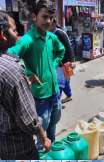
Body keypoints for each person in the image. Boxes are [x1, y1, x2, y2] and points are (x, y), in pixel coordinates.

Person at [7, 0, 65, 147]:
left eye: (51, 18)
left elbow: (61, 50)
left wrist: (53, 63)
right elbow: (9, 57)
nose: (48, 21)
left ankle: (53, 151)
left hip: (55, 92)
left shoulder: (51, 37)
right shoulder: (28, 39)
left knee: (53, 125)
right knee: (42, 133)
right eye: (44, 17)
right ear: (34, 17)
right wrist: (27, 72)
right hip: (39, 97)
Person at [0, 11, 51, 160]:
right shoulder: (12, 69)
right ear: (2, 35)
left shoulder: (51, 37)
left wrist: (25, 81)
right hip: (18, 148)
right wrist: (43, 138)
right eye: (14, 30)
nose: (17, 34)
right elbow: (28, 119)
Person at [49, 17, 74, 104]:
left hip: (64, 62)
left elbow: (68, 47)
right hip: (59, 62)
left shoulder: (59, 33)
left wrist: (71, 61)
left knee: (60, 81)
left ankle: (56, 102)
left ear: (54, 24)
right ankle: (69, 95)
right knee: (64, 81)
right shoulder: (52, 33)